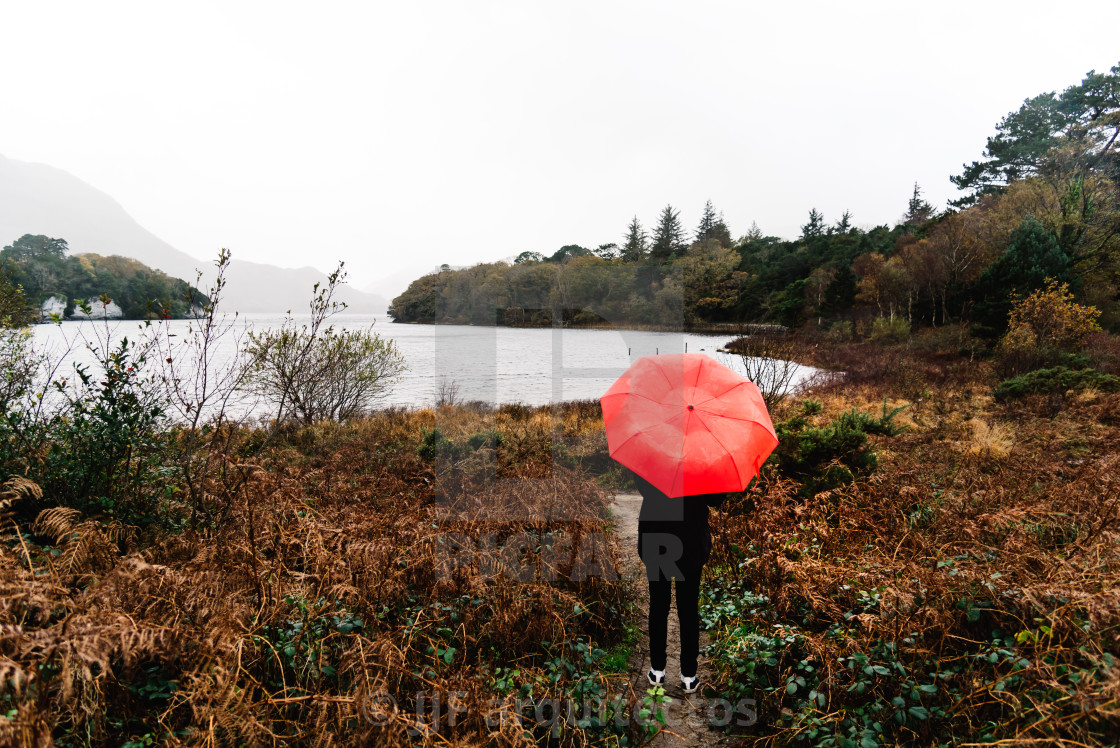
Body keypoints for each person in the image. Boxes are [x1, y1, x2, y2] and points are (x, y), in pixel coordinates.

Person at [633, 471, 725, 694]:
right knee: (688, 609)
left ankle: (657, 670)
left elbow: (643, 487)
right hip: (691, 540)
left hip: (656, 537)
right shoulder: (703, 460)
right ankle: (689, 676)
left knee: (659, 605)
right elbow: (715, 500)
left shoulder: (653, 451)